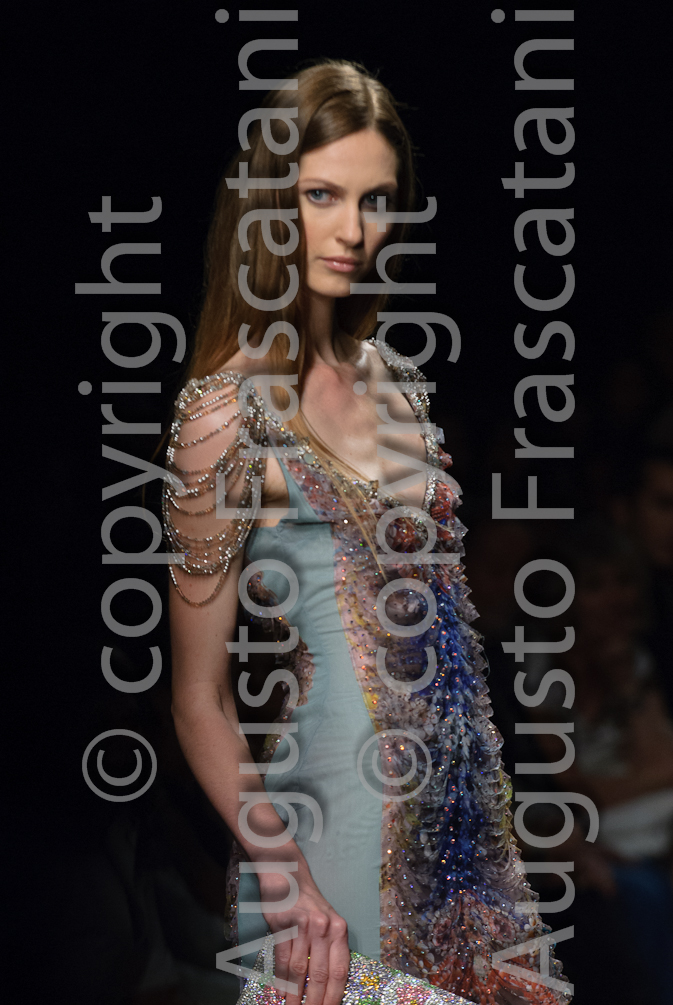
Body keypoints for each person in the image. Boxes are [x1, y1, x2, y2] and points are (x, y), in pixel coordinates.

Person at [163, 61, 568, 1005]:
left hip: (467, 848)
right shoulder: (223, 417)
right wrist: (285, 876)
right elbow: (196, 696)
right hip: (328, 847)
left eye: (376, 200)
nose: (352, 229)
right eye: (321, 195)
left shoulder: (397, 384)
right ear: (267, 203)